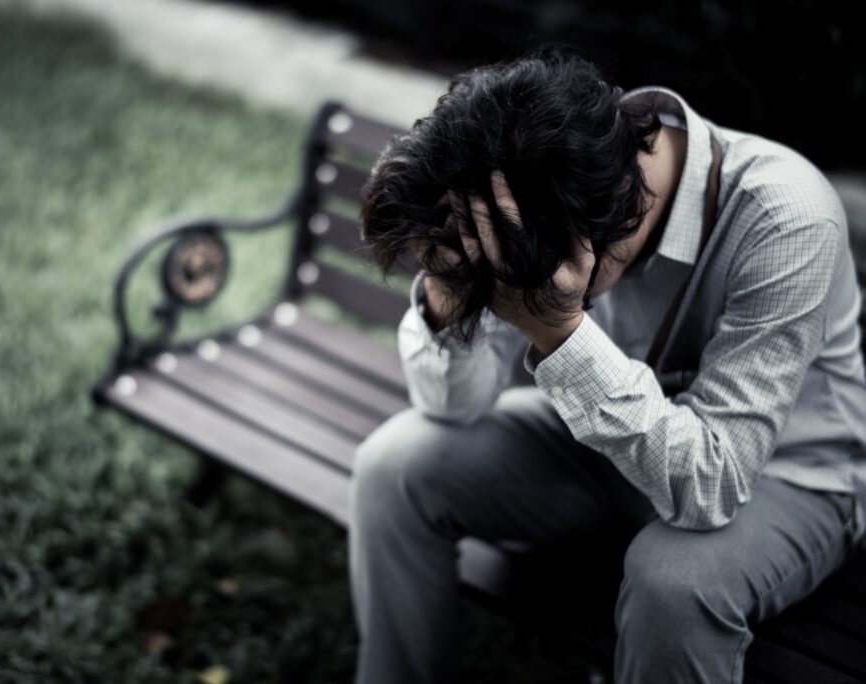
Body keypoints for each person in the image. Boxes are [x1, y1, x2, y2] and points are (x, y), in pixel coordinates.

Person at [350, 44, 866, 683]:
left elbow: (713, 484)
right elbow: (452, 406)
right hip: (616, 455)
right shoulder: (549, 169)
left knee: (672, 582)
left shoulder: (787, 216)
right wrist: (447, 294)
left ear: (624, 214)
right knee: (393, 466)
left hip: (787, 477)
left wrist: (560, 332)